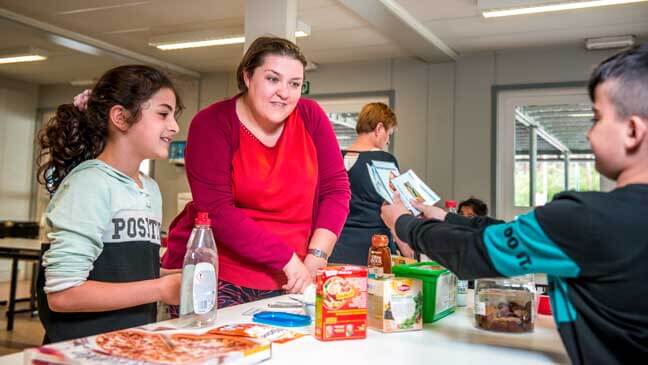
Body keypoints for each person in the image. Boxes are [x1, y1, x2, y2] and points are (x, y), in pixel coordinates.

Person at [381, 44, 648, 365]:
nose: (590, 134)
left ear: (633, 130)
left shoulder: (586, 219)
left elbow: (473, 253)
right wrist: (447, 218)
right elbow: (513, 234)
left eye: (596, 117)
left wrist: (404, 224)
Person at [162, 36, 350, 308]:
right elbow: (217, 210)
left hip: (297, 275)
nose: (284, 93)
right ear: (248, 76)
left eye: (294, 84)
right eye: (273, 79)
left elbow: (337, 189)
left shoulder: (310, 116)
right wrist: (287, 260)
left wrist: (316, 257)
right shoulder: (213, 123)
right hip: (222, 274)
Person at [36, 65, 184, 343]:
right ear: (120, 117)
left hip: (131, 345)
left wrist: (175, 275)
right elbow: (63, 294)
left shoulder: (150, 188)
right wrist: (162, 288)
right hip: (83, 351)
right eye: (163, 114)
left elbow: (122, 271)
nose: (174, 126)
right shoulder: (89, 183)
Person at [329, 102, 414, 265]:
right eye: (389, 134)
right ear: (379, 128)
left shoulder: (335, 158)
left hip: (335, 250)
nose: (388, 141)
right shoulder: (384, 161)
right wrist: (409, 253)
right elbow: (393, 208)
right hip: (374, 253)